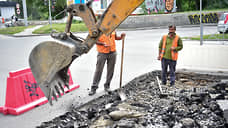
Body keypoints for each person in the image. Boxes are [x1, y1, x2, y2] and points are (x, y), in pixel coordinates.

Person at [88, 30, 126, 96]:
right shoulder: (98, 30)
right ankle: (93, 88)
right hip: (102, 53)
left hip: (113, 52)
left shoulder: (113, 28)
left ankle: (107, 86)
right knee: (99, 70)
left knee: (110, 70)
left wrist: (121, 37)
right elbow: (94, 41)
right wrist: (102, 44)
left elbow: (115, 37)